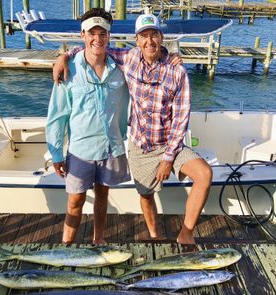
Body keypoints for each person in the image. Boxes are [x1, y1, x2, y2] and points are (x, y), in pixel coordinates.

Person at [53, 14, 213, 244]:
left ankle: (186, 234)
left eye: (154, 35)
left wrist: (168, 158)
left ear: (162, 38)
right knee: (146, 196)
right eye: (144, 36)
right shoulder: (128, 58)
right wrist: (63, 56)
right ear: (136, 40)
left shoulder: (178, 72)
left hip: (171, 145)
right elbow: (94, 48)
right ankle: (155, 236)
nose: (150, 41)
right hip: (140, 146)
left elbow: (181, 120)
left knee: (204, 174)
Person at [46, 8, 131, 245]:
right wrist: (55, 152)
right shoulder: (68, 69)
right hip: (80, 150)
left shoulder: (121, 68)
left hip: (111, 146)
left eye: (102, 33)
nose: (97, 38)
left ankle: (99, 239)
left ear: (109, 36)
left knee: (103, 195)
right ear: (82, 35)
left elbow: (148, 58)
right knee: (75, 201)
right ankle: (67, 245)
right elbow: (57, 115)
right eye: (92, 32)